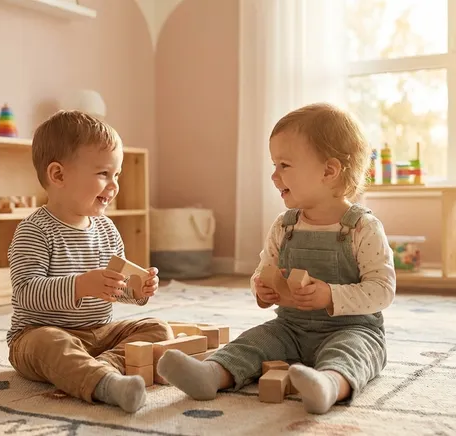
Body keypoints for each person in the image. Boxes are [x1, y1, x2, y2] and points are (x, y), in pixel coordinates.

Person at [157, 102, 396, 414]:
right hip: (291, 327)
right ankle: (211, 374)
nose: (273, 176)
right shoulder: (285, 225)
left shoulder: (362, 227)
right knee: (253, 341)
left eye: (284, 165)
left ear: (329, 170)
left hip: (352, 328)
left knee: (351, 353)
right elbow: (263, 270)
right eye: (274, 165)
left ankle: (327, 385)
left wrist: (329, 295)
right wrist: (262, 290)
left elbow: (382, 290)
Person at [6, 110, 173, 413]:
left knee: (159, 328)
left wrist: (138, 290)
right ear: (58, 175)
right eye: (103, 174)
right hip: (37, 335)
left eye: (116, 175)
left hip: (99, 334)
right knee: (48, 343)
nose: (114, 185)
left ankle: (101, 369)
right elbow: (26, 293)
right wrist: (81, 285)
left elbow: (112, 288)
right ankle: (104, 384)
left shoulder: (106, 229)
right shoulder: (34, 230)